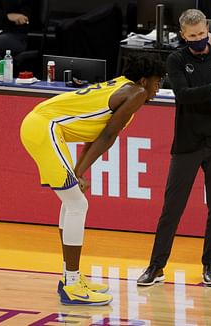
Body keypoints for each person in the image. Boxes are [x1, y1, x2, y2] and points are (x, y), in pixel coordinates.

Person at [20, 54, 165, 305]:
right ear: (143, 80)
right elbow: (108, 135)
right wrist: (78, 173)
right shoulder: (137, 93)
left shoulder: (123, 85)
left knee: (72, 202)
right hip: (45, 128)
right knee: (78, 205)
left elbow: (96, 135)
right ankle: (73, 284)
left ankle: (70, 278)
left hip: (43, 125)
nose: (159, 86)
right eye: (157, 81)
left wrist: (79, 171)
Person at [137, 9, 211, 287]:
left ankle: (210, 264)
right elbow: (182, 95)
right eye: (192, 35)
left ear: (207, 30)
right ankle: (156, 266)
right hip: (187, 143)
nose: (198, 39)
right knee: (172, 208)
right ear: (183, 35)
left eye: (202, 34)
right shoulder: (176, 60)